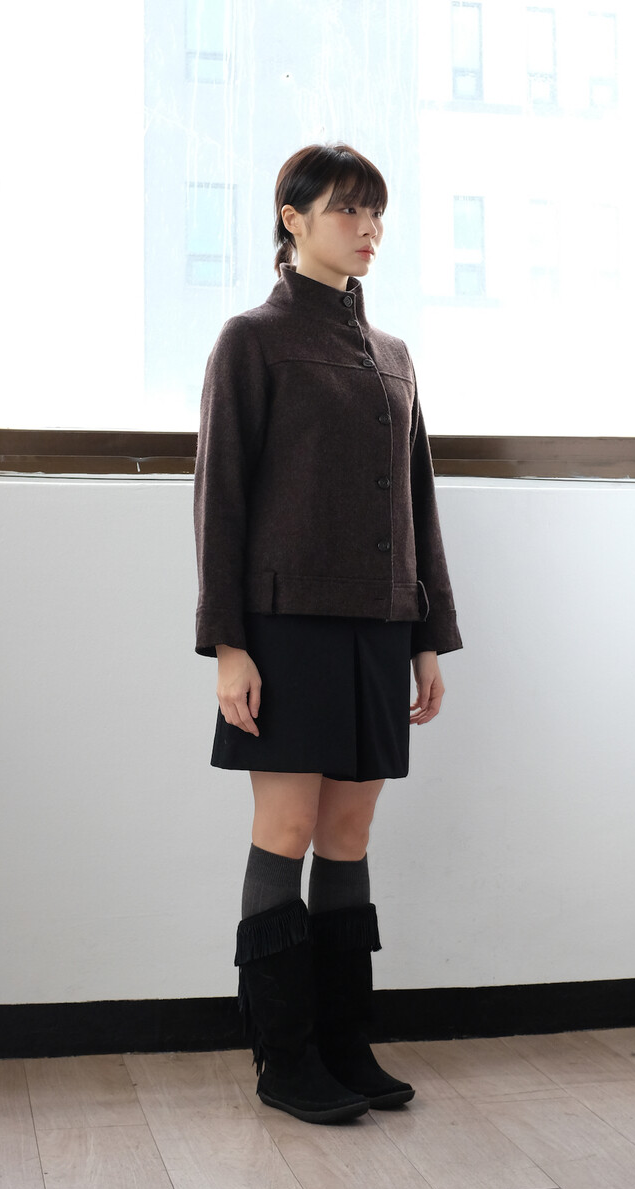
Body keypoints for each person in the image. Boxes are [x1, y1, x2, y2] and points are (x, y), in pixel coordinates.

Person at [194, 143, 462, 1124]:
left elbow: (419, 503)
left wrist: (427, 634)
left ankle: (346, 1043)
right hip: (285, 625)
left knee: (349, 834)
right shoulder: (251, 341)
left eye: (375, 212)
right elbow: (219, 499)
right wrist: (229, 643)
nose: (367, 229)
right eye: (348, 209)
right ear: (292, 217)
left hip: (380, 625)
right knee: (287, 829)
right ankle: (284, 1056)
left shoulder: (393, 356)